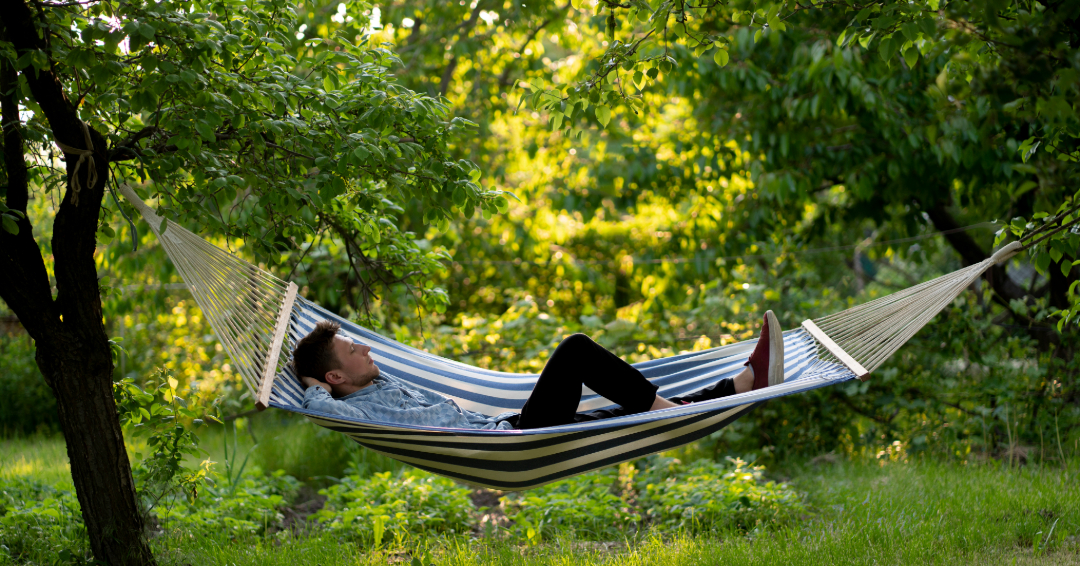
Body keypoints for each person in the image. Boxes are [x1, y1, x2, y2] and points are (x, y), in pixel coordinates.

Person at [293, 311, 785, 430]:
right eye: (352, 349)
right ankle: (664, 409)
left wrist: (329, 354)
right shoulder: (355, 409)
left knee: (622, 417)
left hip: (509, 430)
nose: (364, 347)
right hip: (511, 439)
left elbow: (353, 364)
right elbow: (322, 410)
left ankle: (741, 383)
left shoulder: (375, 380)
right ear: (334, 378)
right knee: (575, 349)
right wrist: (314, 387)